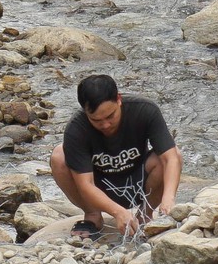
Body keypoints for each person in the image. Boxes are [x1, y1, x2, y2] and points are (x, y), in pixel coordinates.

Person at [51, 74, 182, 238]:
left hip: (137, 181)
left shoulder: (144, 110)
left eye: (110, 116)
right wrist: (117, 212)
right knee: (58, 156)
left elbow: (171, 158)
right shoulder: (76, 129)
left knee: (172, 153)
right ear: (85, 112)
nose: (105, 125)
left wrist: (168, 198)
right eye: (96, 120)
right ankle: (92, 215)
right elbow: (85, 185)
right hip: (98, 190)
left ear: (118, 99)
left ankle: (144, 216)